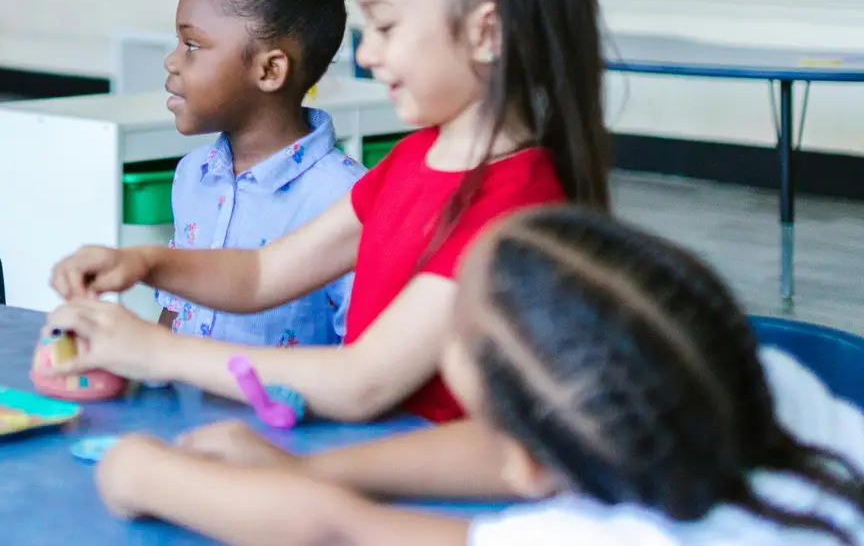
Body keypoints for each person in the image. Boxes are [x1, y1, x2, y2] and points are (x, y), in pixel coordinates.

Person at [45, 0, 610, 423]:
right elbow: (264, 273)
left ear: (486, 31)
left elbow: (360, 382)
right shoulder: (416, 160)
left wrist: (158, 353)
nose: (365, 57)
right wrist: (144, 264)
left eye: (386, 28)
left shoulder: (511, 208)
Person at [92, 207, 864, 546]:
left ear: (528, 465)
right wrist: (309, 464)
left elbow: (336, 533)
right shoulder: (752, 379)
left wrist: (138, 471)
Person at [154, 0, 366, 347]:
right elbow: (176, 311)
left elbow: (363, 357)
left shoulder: (346, 201)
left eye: (192, 45)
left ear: (270, 70)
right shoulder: (193, 175)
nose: (172, 61)